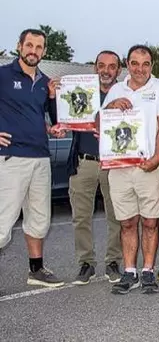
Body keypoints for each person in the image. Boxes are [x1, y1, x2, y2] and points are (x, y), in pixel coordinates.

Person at [103, 45, 159, 295]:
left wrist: (157, 157)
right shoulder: (115, 89)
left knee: (150, 222)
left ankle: (147, 271)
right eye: (135, 63)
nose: (140, 69)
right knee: (126, 223)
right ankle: (130, 271)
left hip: (148, 166)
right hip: (120, 167)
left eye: (146, 64)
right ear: (127, 64)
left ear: (152, 66)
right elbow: (99, 123)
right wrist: (110, 106)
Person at [0, 28, 64, 287]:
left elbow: (54, 119)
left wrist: (52, 100)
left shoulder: (45, 82)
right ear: (19, 46)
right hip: (11, 158)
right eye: (29, 45)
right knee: (3, 220)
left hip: (40, 157)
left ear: (44, 52)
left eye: (39, 47)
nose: (33, 51)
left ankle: (36, 270)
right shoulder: (4, 75)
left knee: (39, 218)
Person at [66, 51, 124, 285]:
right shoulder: (80, 91)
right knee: (80, 217)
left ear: (119, 70)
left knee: (117, 216)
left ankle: (113, 261)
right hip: (84, 162)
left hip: (114, 164)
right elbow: (59, 114)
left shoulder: (126, 93)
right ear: (95, 68)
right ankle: (86, 263)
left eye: (112, 66)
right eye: (101, 65)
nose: (106, 70)